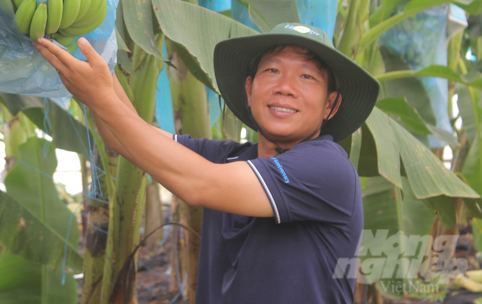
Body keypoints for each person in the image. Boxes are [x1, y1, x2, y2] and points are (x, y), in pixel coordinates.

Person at [34, 22, 379, 304]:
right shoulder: (228, 158)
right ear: (249, 89)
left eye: (307, 77)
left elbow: (200, 184)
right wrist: (90, 52)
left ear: (330, 105)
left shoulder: (327, 168)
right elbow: (124, 137)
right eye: (272, 70)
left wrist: (99, 95)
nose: (285, 87)